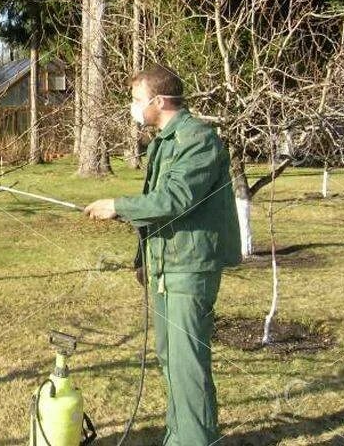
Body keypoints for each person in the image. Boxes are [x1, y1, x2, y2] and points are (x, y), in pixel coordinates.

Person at [83, 64, 241, 446]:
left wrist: (118, 205)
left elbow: (176, 199)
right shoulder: (164, 140)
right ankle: (179, 436)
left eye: (137, 100)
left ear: (159, 101)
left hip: (189, 269)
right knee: (170, 359)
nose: (133, 108)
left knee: (188, 366)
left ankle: (197, 440)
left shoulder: (197, 139)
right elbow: (160, 209)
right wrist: (144, 260)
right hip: (164, 268)